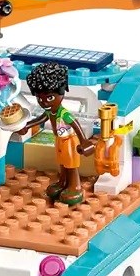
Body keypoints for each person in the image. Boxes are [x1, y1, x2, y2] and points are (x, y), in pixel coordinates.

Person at [23, 62, 96, 206]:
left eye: (49, 98)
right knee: (62, 163)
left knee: (71, 165)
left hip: (70, 141)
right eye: (40, 99)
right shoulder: (50, 111)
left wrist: (84, 141)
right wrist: (27, 125)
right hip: (59, 140)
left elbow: (75, 124)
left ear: (62, 93)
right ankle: (63, 183)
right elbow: (42, 118)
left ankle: (75, 187)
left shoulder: (64, 113)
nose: (44, 103)